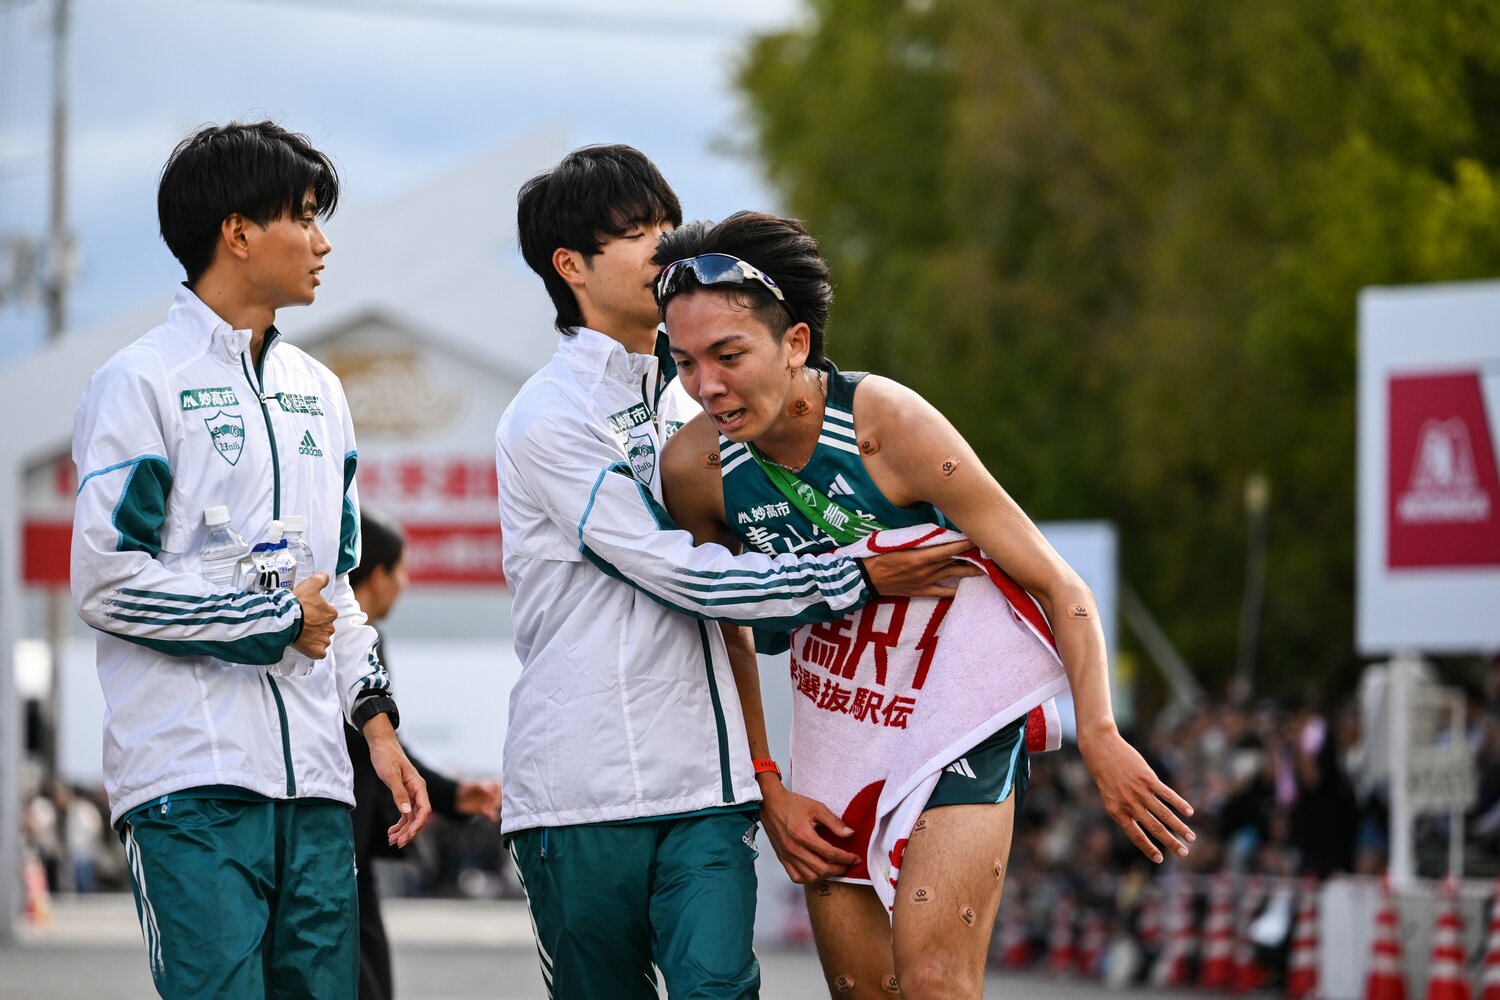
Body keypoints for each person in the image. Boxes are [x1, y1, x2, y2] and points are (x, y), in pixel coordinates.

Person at [653, 211, 1197, 1000]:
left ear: (796, 343)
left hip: (954, 721)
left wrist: (1102, 734)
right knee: (867, 992)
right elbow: (724, 630)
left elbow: (1058, 582)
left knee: (936, 982)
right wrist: (769, 786)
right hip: (841, 724)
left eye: (729, 355)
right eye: (686, 362)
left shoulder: (886, 425)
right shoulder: (696, 468)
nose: (707, 386)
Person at [495, 144, 977, 1000]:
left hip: (708, 793)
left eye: (665, 225)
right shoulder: (546, 418)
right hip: (580, 790)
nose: (664, 246)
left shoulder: (702, 403)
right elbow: (688, 576)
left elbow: (756, 592)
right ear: (570, 265)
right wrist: (855, 573)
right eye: (638, 233)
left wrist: (764, 781)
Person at [69, 120, 431, 1000]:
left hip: (315, 782)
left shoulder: (321, 391)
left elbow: (336, 588)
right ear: (237, 232)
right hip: (188, 782)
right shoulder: (139, 381)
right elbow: (108, 582)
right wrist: (267, 620)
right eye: (304, 216)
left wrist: (377, 730)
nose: (323, 240)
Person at [345, 507, 503, 1000]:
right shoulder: (341, 646)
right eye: (402, 570)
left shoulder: (363, 644)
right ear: (377, 576)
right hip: (329, 850)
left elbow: (385, 748)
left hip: (349, 854)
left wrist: (455, 794)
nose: (407, 582)